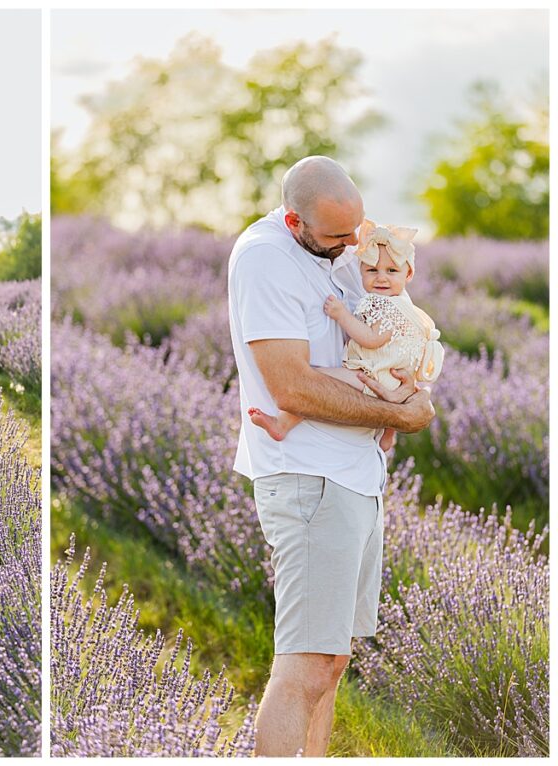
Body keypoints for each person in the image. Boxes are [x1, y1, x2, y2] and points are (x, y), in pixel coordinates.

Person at [226, 156, 435, 756]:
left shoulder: (339, 251)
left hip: (354, 475)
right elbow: (289, 385)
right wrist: (398, 413)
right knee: (304, 665)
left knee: (332, 659)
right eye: (340, 237)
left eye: (359, 230)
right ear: (295, 220)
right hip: (309, 479)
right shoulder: (267, 258)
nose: (355, 246)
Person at [247, 218, 445, 452]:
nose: (381, 277)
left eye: (391, 271)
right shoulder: (402, 303)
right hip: (391, 377)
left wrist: (341, 315)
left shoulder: (389, 306)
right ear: (361, 270)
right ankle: (387, 437)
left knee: (318, 378)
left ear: (408, 274)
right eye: (372, 270)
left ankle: (282, 424)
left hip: (372, 374)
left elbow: (372, 338)